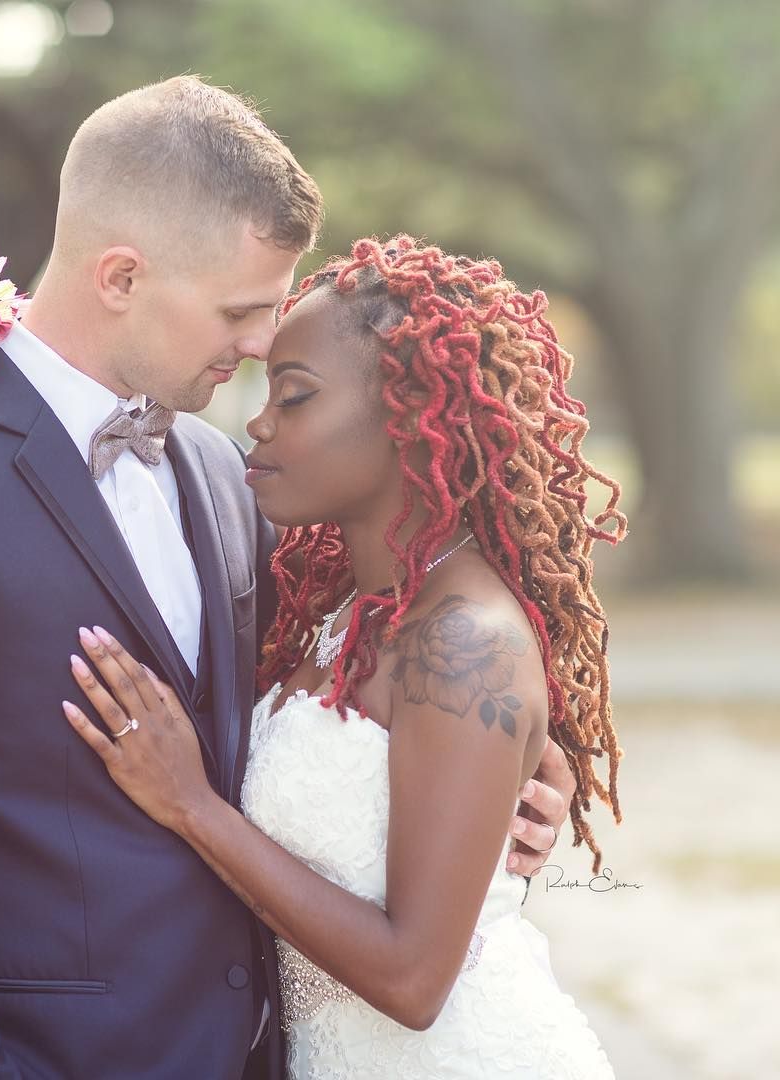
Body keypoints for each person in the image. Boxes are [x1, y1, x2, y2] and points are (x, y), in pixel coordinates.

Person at [0, 75, 575, 1079]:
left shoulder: (219, 473)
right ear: (120, 278)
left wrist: (514, 781)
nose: (259, 346)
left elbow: (356, 702)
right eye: (241, 312)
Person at [64, 236, 626, 1078]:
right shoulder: (342, 613)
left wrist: (191, 805)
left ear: (409, 417)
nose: (258, 422)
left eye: (294, 398)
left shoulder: (464, 641)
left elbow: (414, 980)